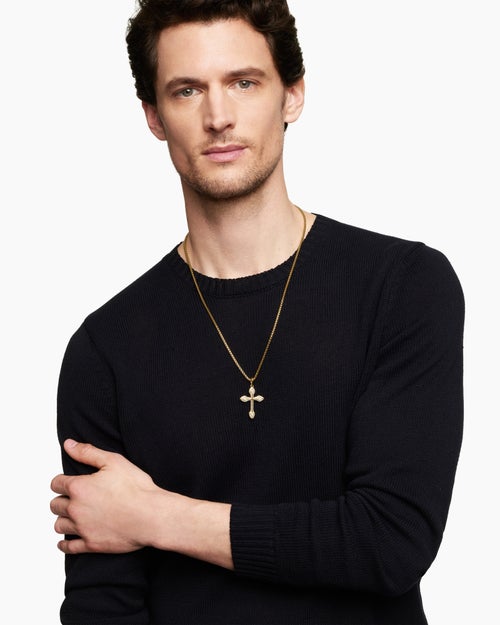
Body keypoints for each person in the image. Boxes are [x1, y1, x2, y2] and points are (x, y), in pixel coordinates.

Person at [49, 1, 464, 623]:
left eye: (244, 83)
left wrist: (156, 516)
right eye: (187, 90)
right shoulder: (104, 349)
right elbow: (101, 604)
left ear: (292, 95)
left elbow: (390, 542)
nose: (218, 117)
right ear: (154, 116)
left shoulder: (402, 287)